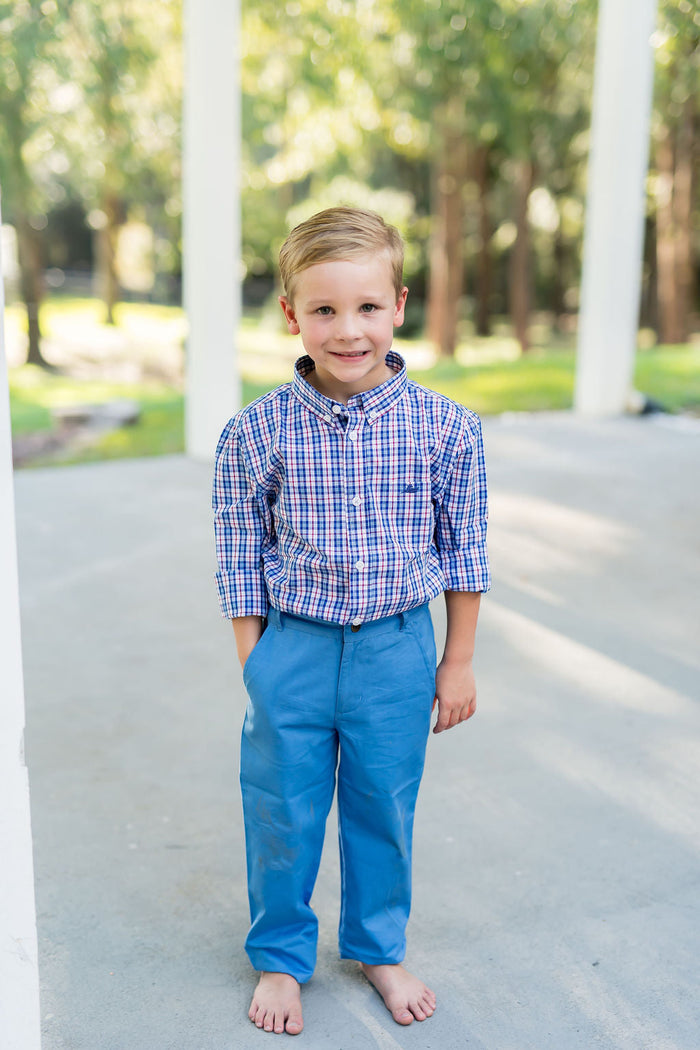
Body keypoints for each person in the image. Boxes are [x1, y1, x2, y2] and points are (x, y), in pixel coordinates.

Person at [213, 206, 490, 1036]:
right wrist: (256, 662)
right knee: (281, 809)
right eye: (325, 310)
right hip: (292, 648)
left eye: (366, 307)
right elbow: (238, 553)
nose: (348, 330)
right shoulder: (254, 432)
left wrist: (458, 661)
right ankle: (281, 959)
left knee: (382, 806)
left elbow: (465, 553)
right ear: (292, 315)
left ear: (399, 304)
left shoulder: (448, 429)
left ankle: (377, 946)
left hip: (397, 648)